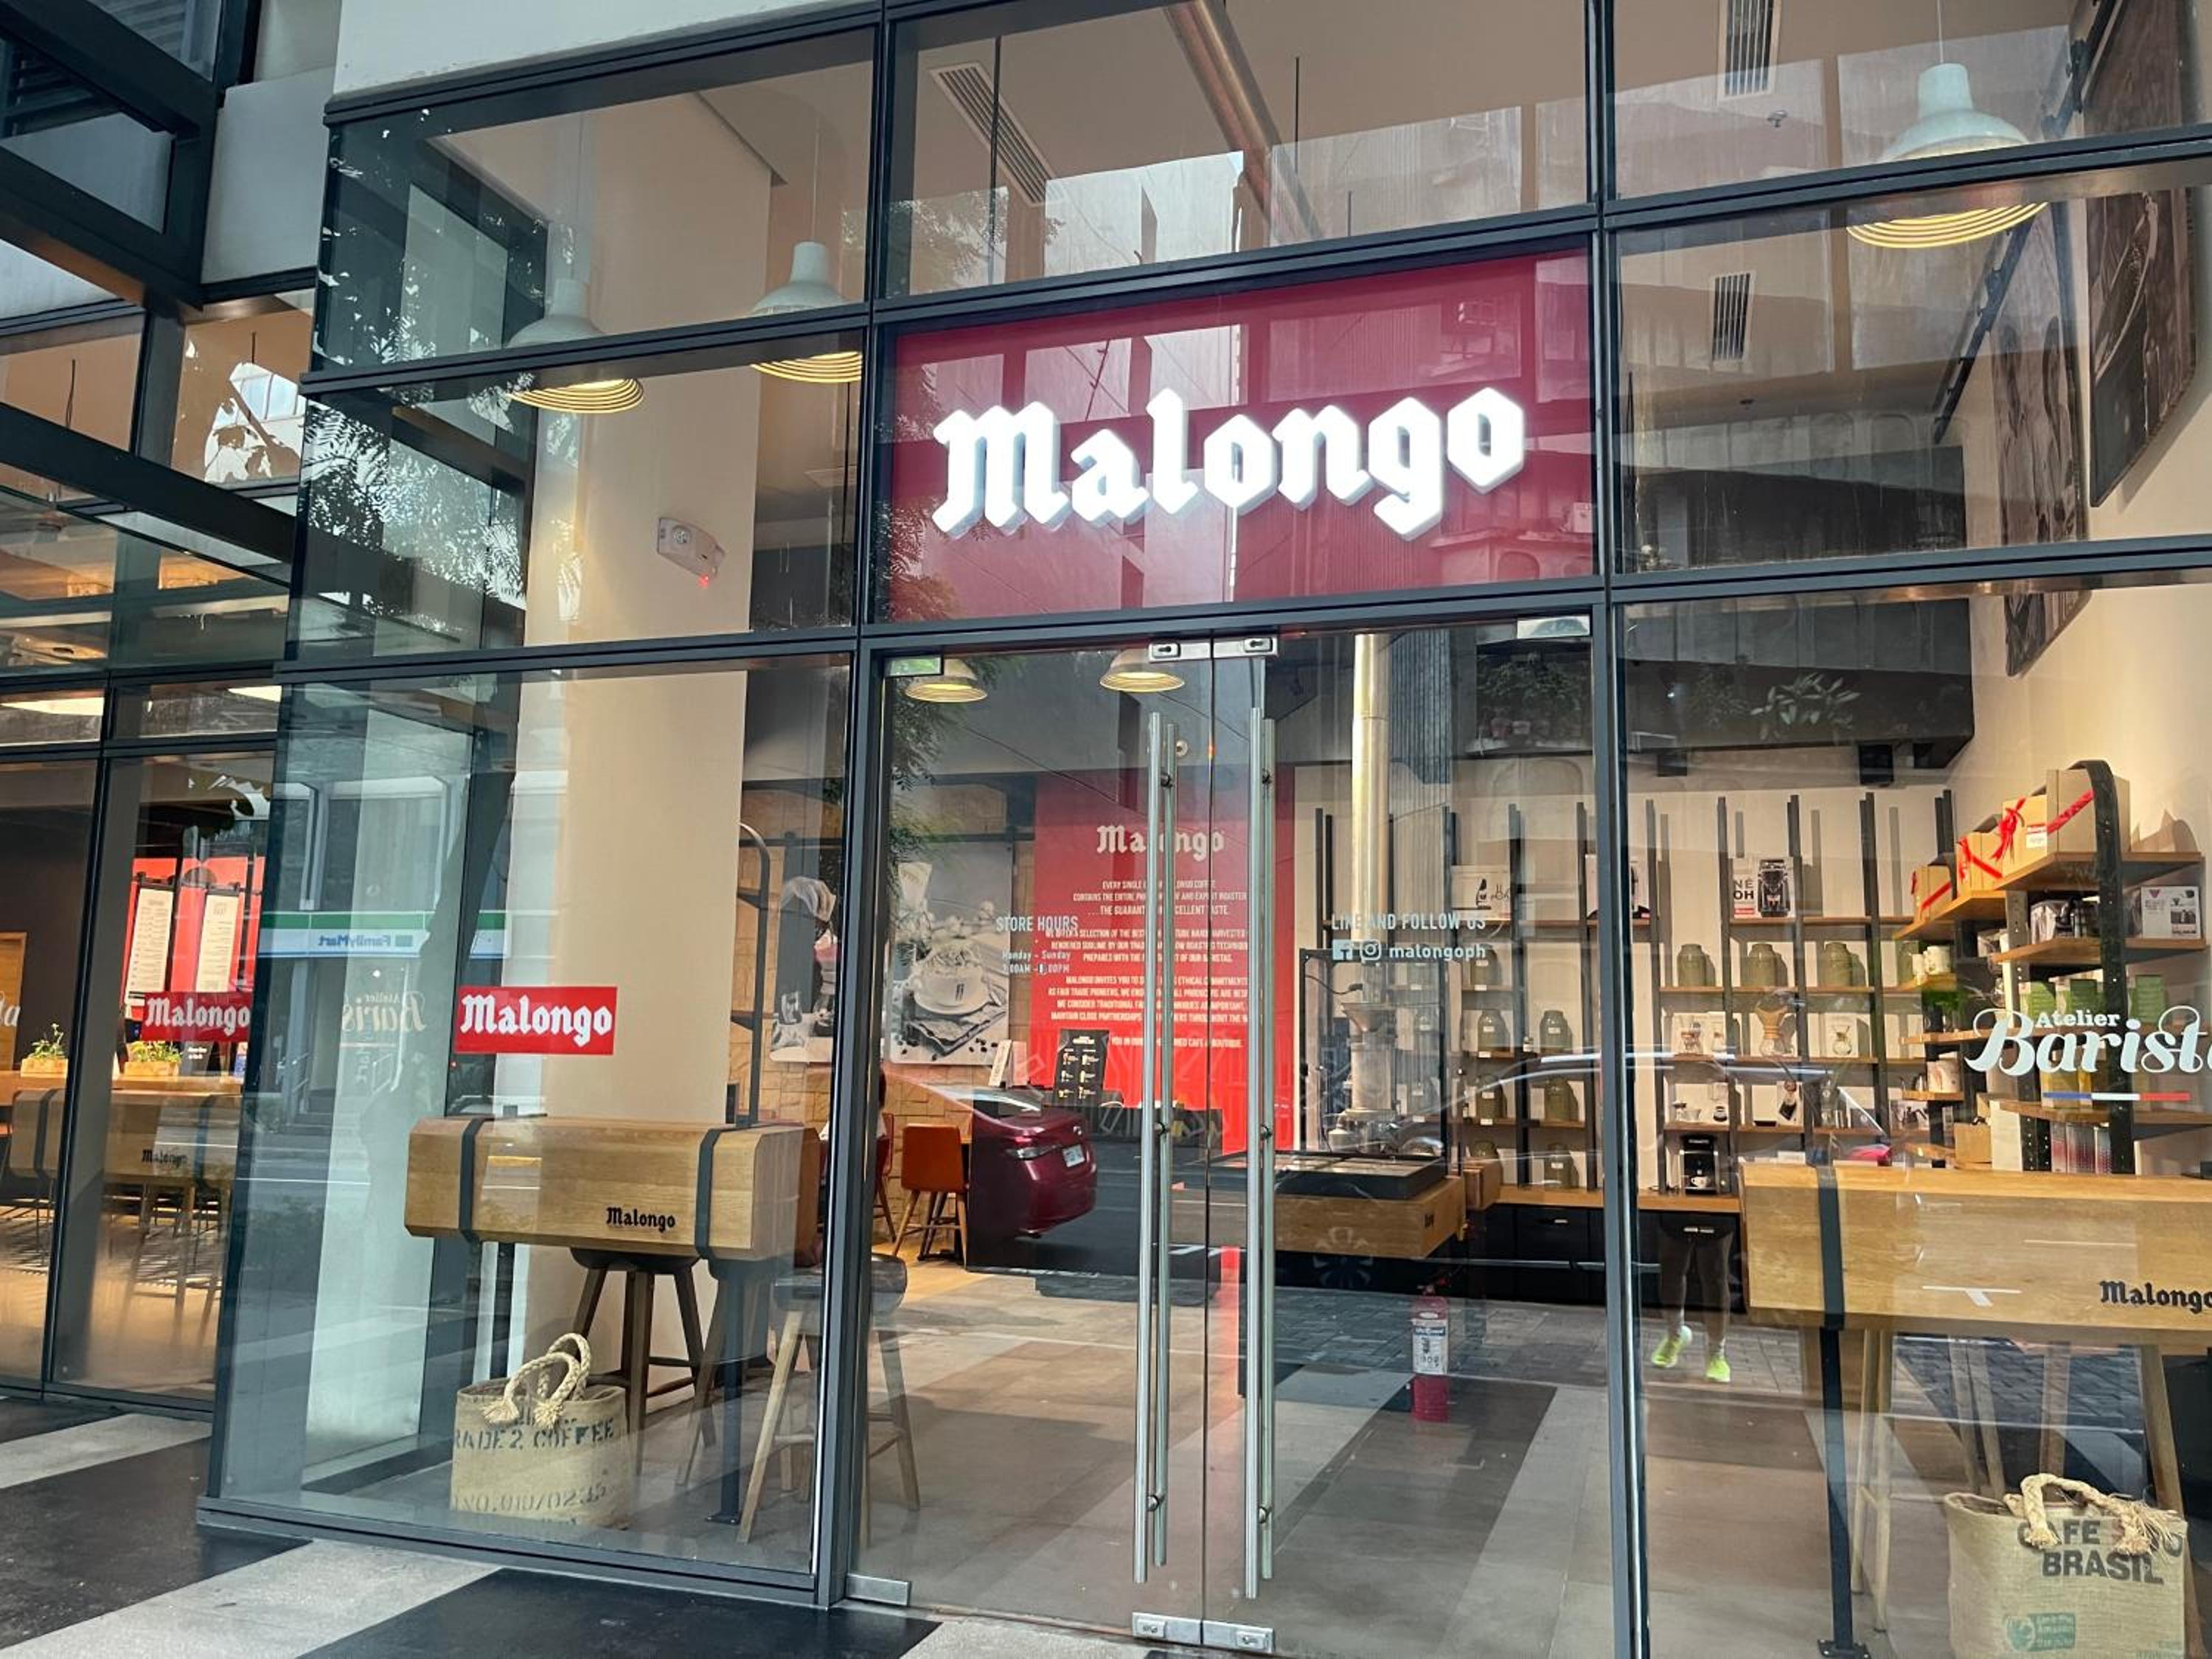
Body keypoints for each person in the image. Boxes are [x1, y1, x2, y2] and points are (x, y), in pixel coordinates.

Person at [1649, 1211, 1736, 1384]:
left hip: (1717, 1206)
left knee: (1715, 1275)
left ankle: (1716, 1352)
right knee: (1670, 1270)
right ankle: (1675, 1335)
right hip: (1675, 1204)